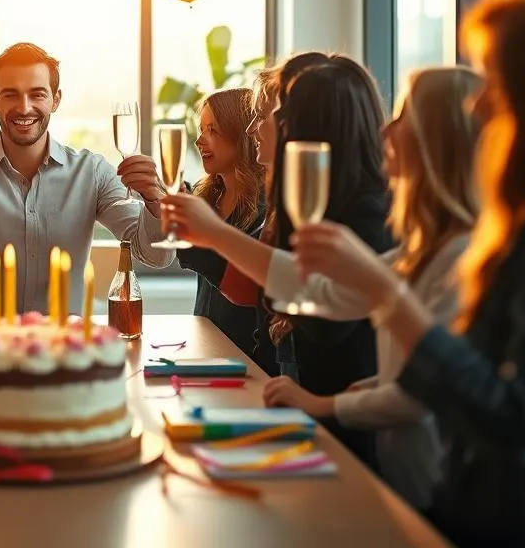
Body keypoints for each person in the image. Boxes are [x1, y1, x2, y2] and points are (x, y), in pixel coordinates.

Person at [289, 0, 525, 546]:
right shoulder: (508, 234)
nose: (476, 104)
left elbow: (512, 418)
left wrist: (386, 295)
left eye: (493, 81)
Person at [249, 67, 480, 510]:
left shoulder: (460, 255)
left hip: (442, 496)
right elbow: (325, 295)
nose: (386, 128)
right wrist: (371, 385)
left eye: (403, 115)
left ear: (438, 139)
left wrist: (325, 404)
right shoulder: (420, 250)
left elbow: (421, 392)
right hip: (405, 479)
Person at [164, 57, 393, 466]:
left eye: (270, 116)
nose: (255, 130)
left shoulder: (366, 216)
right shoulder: (310, 207)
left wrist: (213, 234)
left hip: (348, 442)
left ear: (303, 126)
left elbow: (319, 314)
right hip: (305, 419)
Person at [0, 42, 174, 316]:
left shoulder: (92, 171)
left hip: (63, 348)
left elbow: (156, 256)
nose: (24, 108)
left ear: (55, 100)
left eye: (37, 94)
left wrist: (155, 202)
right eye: (10, 95)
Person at [176, 88, 265, 355]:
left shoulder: (266, 207)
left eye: (212, 130)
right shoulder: (206, 199)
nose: (200, 140)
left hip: (248, 358)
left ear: (242, 135)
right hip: (207, 348)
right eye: (201, 129)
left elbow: (249, 290)